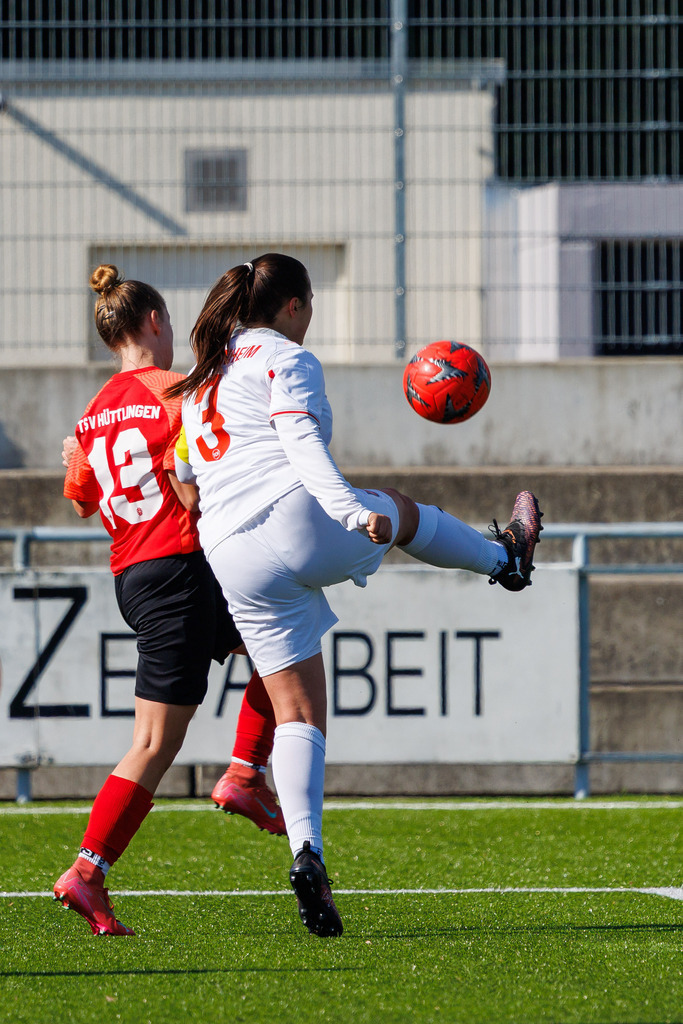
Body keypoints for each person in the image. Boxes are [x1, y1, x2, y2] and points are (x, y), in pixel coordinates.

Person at [169, 252, 544, 939]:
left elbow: (185, 471)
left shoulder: (202, 375)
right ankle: (506, 559)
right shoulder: (285, 357)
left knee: (297, 713)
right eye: (309, 306)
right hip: (294, 517)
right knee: (400, 510)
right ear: (293, 305)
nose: (309, 318)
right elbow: (299, 440)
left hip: (228, 550)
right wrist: (348, 509)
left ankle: (306, 853)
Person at [53, 264, 284, 939]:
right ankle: (87, 871)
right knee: (154, 743)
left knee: (283, 645)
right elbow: (197, 477)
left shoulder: (92, 414)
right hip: (179, 569)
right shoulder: (177, 393)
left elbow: (80, 497)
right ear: (155, 322)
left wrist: (76, 449)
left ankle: (245, 774)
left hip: (140, 574)